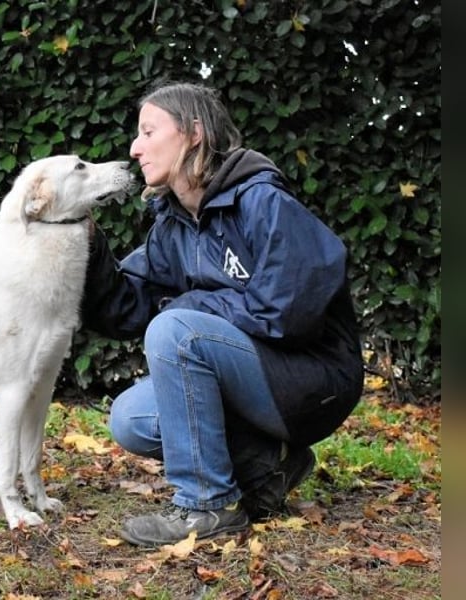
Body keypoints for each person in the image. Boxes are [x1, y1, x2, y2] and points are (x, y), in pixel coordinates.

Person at [80, 81, 364, 547]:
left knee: (177, 330)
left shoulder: (262, 200)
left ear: (194, 133)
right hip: (258, 381)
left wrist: (192, 307)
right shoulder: (172, 225)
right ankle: (269, 465)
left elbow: (288, 313)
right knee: (131, 418)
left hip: (314, 379)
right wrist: (89, 248)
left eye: (148, 132)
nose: (134, 148)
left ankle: (207, 505)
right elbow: (126, 308)